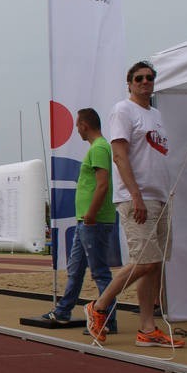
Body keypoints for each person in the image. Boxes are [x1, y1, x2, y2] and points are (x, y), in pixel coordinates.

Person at [84, 61, 185, 348]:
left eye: (149, 78)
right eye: (139, 78)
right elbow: (119, 156)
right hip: (136, 198)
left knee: (154, 266)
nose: (144, 82)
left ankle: (147, 328)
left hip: (160, 196)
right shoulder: (123, 111)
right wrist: (136, 195)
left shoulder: (156, 114)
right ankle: (100, 306)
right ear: (129, 83)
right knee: (144, 260)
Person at [42, 108, 117, 331]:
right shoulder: (96, 148)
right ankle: (63, 309)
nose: (76, 130)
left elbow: (102, 183)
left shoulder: (100, 148)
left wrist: (92, 213)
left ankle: (107, 319)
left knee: (100, 272)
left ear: (84, 125)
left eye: (77, 125)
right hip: (84, 220)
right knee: (76, 268)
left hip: (93, 221)